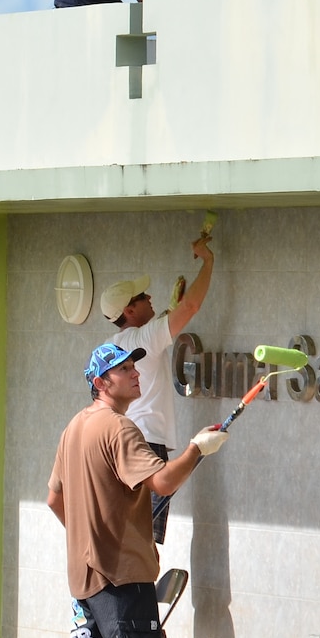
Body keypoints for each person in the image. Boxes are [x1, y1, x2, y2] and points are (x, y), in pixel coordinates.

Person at [43, 342, 229, 638]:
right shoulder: (120, 428)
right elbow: (164, 482)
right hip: (122, 577)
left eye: (133, 366)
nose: (134, 373)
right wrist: (196, 450)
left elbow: (53, 499)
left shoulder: (75, 427)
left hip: (87, 577)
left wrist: (85, 539)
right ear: (99, 382)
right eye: (121, 369)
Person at [105, 225, 217, 543]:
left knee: (132, 538)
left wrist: (169, 309)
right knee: (144, 544)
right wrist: (208, 261)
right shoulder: (144, 337)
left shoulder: (116, 342)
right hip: (146, 447)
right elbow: (191, 308)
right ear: (129, 310)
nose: (149, 297)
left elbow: (163, 323)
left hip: (125, 445)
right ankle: (141, 594)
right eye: (142, 297)